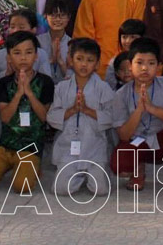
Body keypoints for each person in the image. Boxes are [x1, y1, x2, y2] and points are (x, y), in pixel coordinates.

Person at [111, 37, 163, 199]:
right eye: (139, 62)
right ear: (130, 65)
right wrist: (140, 110)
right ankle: (138, 171)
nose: (144, 68)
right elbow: (124, 135)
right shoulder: (121, 94)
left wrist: (152, 109)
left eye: (151, 63)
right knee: (118, 164)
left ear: (158, 66)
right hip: (138, 142)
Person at [0, 30, 54, 193]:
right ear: (9, 57)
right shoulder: (4, 83)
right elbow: (5, 117)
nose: (23, 58)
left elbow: (43, 117)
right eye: (17, 53)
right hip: (7, 145)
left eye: (28, 52)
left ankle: (32, 166)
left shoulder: (45, 82)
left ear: (36, 56)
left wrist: (29, 92)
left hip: (30, 146)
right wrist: (18, 94)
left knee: (22, 187)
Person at [47, 37, 115, 196]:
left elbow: (112, 117)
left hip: (94, 146)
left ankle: (94, 172)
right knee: (60, 189)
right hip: (69, 146)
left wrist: (86, 110)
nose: (84, 64)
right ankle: (77, 176)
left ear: (97, 64)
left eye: (90, 60)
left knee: (101, 190)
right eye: (79, 59)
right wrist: (72, 110)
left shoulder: (103, 88)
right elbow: (51, 116)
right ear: (70, 61)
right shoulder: (61, 87)